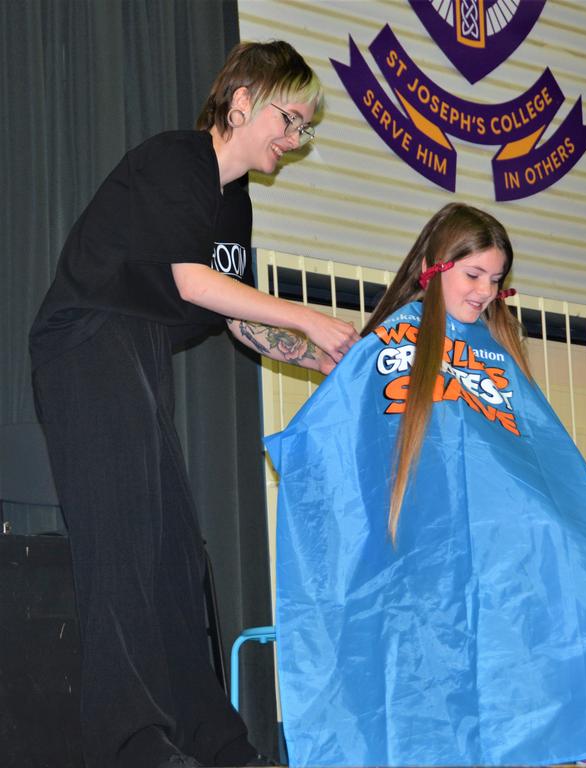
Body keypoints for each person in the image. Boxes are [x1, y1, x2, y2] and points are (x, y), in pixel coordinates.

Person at [265, 203, 586, 766]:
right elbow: (333, 439)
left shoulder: (495, 351)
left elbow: (541, 451)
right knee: (554, 564)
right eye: (473, 276)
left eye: (495, 281)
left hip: (515, 518)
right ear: (433, 266)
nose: (484, 292)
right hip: (433, 536)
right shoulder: (386, 350)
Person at [29, 41, 359, 768]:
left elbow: (241, 319)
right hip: (86, 340)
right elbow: (189, 280)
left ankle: (216, 741)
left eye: (305, 128)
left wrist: (333, 355)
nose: (294, 139)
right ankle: (133, 743)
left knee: (175, 556)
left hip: (137, 352)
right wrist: (307, 318)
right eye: (290, 118)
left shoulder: (231, 203)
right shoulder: (176, 160)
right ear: (242, 102)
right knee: (121, 541)